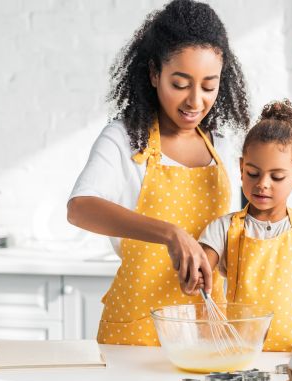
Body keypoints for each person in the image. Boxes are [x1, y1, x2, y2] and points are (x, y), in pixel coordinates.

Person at [67, 0, 250, 346]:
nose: (195, 101)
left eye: (209, 86)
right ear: (154, 73)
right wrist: (170, 234)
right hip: (136, 332)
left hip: (207, 328)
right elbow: (79, 208)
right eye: (180, 84)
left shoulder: (223, 149)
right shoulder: (124, 139)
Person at [196, 99, 292, 351]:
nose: (263, 183)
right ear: (241, 168)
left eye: (277, 176)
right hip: (239, 355)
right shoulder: (223, 229)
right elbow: (202, 271)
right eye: (253, 173)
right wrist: (196, 274)